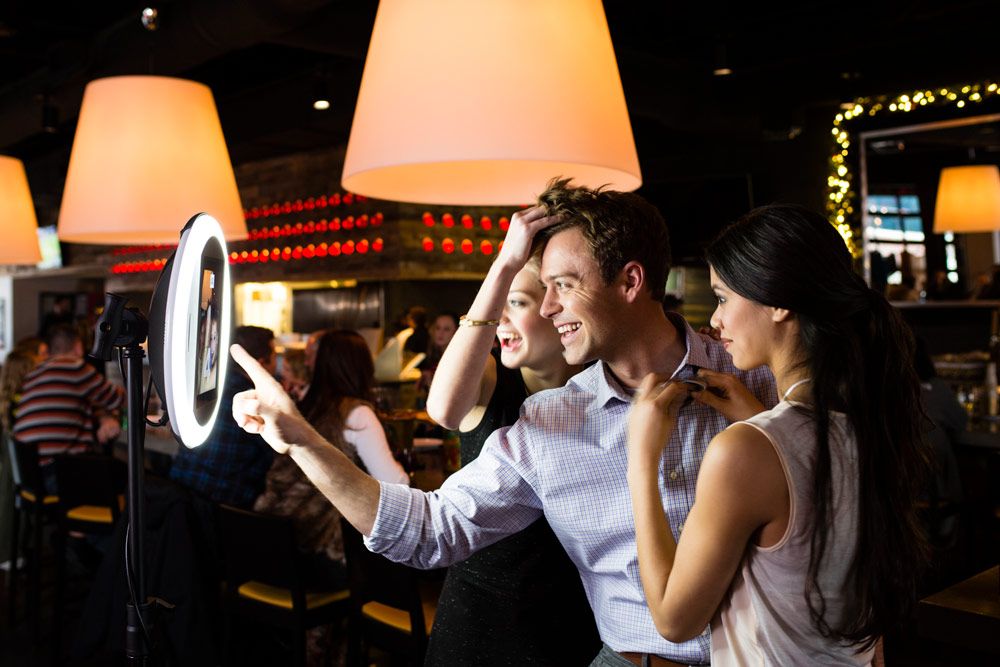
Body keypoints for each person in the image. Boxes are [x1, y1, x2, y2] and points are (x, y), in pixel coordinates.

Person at [229, 178, 776, 666]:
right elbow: (427, 530)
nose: (545, 308)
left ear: (630, 281)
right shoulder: (550, 422)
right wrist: (301, 437)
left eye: (563, 285)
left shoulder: (754, 376)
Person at [625, 204, 930, 664]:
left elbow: (674, 619)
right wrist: (759, 419)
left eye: (724, 297)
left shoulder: (744, 450)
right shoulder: (868, 422)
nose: (717, 320)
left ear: (779, 301)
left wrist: (641, 462)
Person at [422, 207, 599, 665]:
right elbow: (442, 410)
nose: (501, 320)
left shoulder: (601, 385)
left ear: (557, 306)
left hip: (572, 622)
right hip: (480, 625)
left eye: (516, 302)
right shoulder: (490, 382)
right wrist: (503, 267)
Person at [254, 329, 408, 666]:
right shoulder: (356, 413)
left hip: (268, 552)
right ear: (360, 367)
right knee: (380, 570)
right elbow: (397, 485)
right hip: (314, 560)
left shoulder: (303, 404)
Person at [169, 326, 278, 509]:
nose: (277, 364)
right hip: (224, 511)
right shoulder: (256, 402)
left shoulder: (203, 386)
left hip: (179, 501)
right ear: (259, 364)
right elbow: (276, 454)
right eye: (275, 357)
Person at [13, 324, 124, 491]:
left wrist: (103, 416)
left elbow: (84, 402)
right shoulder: (75, 367)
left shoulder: (34, 374)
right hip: (59, 475)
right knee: (138, 481)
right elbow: (119, 399)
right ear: (78, 348)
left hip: (31, 476)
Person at [416, 312, 459, 395]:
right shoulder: (436, 354)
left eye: (446, 329)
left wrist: (430, 383)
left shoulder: (456, 360)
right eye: (438, 328)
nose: (440, 333)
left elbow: (449, 395)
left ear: (456, 332)